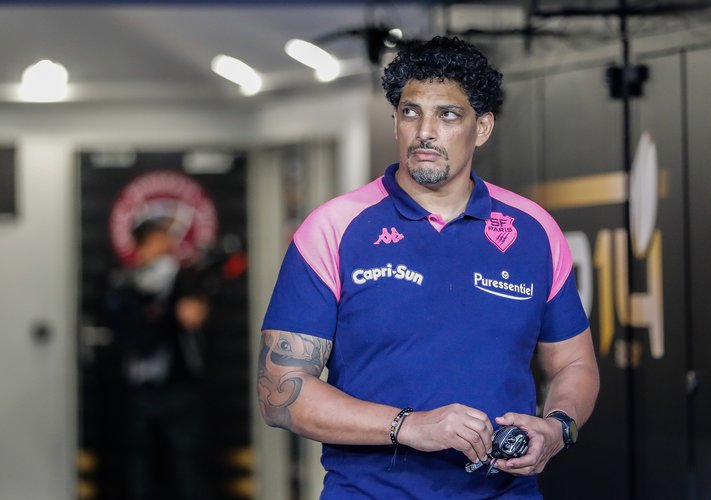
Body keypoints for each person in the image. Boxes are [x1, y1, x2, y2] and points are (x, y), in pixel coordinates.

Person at [259, 36, 599, 499]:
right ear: (396, 122)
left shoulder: (533, 230)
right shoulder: (334, 228)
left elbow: (574, 363)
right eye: (410, 112)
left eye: (448, 115)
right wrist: (409, 426)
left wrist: (557, 427)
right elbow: (279, 391)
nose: (424, 131)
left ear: (482, 127)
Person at [105, 218, 211, 500]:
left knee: (186, 460)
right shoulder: (124, 282)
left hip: (178, 385)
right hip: (141, 386)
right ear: (149, 241)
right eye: (163, 237)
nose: (170, 243)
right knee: (141, 461)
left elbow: (193, 316)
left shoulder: (182, 278)